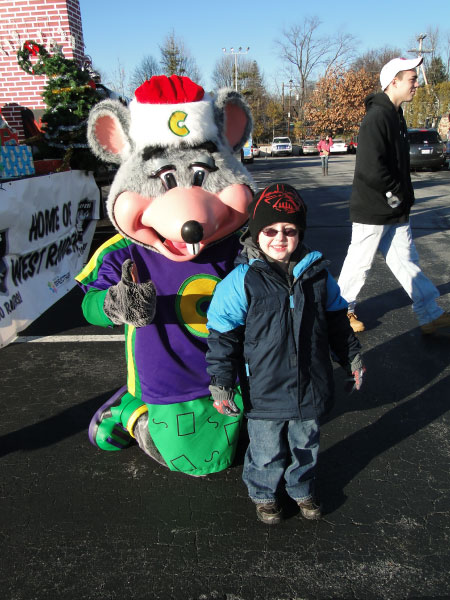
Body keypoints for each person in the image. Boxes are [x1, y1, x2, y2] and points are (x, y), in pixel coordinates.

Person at [205, 183, 364, 525]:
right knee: (266, 450)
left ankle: (300, 486)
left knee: (306, 445)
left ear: (300, 233)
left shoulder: (318, 274)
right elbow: (222, 337)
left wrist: (351, 357)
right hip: (264, 390)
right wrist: (221, 381)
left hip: (310, 385)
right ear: (255, 232)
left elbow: (337, 323)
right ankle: (263, 493)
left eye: (289, 230)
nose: (279, 237)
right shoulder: (241, 281)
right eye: (270, 230)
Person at [338, 57, 450, 334]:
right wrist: (395, 195)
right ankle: (340, 313)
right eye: (412, 79)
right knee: (359, 263)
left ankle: (430, 315)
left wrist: (402, 200)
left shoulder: (395, 116)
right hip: (374, 208)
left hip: (395, 209)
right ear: (394, 82)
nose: (417, 84)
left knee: (406, 262)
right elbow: (370, 167)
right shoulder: (377, 117)